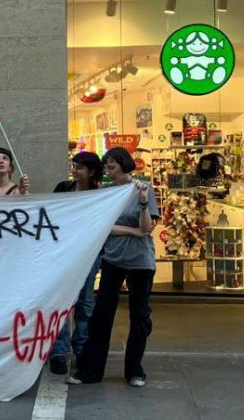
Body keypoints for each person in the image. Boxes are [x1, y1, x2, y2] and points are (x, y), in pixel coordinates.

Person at [69, 147, 159, 388]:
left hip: (141, 261)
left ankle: (135, 370)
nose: (107, 170)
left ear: (124, 165)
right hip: (113, 258)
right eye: (106, 165)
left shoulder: (144, 188)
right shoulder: (106, 191)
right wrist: (133, 231)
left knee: (139, 316)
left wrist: (142, 204)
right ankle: (90, 370)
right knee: (101, 316)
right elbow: (103, 225)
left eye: (111, 165)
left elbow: (147, 227)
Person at [48, 151, 104, 375]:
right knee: (62, 301)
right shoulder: (64, 188)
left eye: (80, 167)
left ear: (91, 172)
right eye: (74, 166)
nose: (75, 170)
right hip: (64, 253)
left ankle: (80, 346)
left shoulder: (100, 194)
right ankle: (59, 351)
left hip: (89, 253)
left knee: (85, 302)